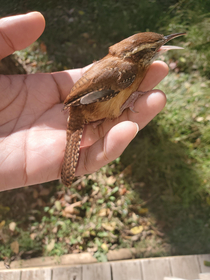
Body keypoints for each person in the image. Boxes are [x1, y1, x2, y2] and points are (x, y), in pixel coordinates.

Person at [0, 12, 168, 191]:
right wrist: (128, 101)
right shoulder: (129, 70)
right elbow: (101, 99)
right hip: (90, 106)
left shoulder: (125, 64)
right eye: (152, 50)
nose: (156, 52)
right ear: (138, 57)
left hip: (81, 100)